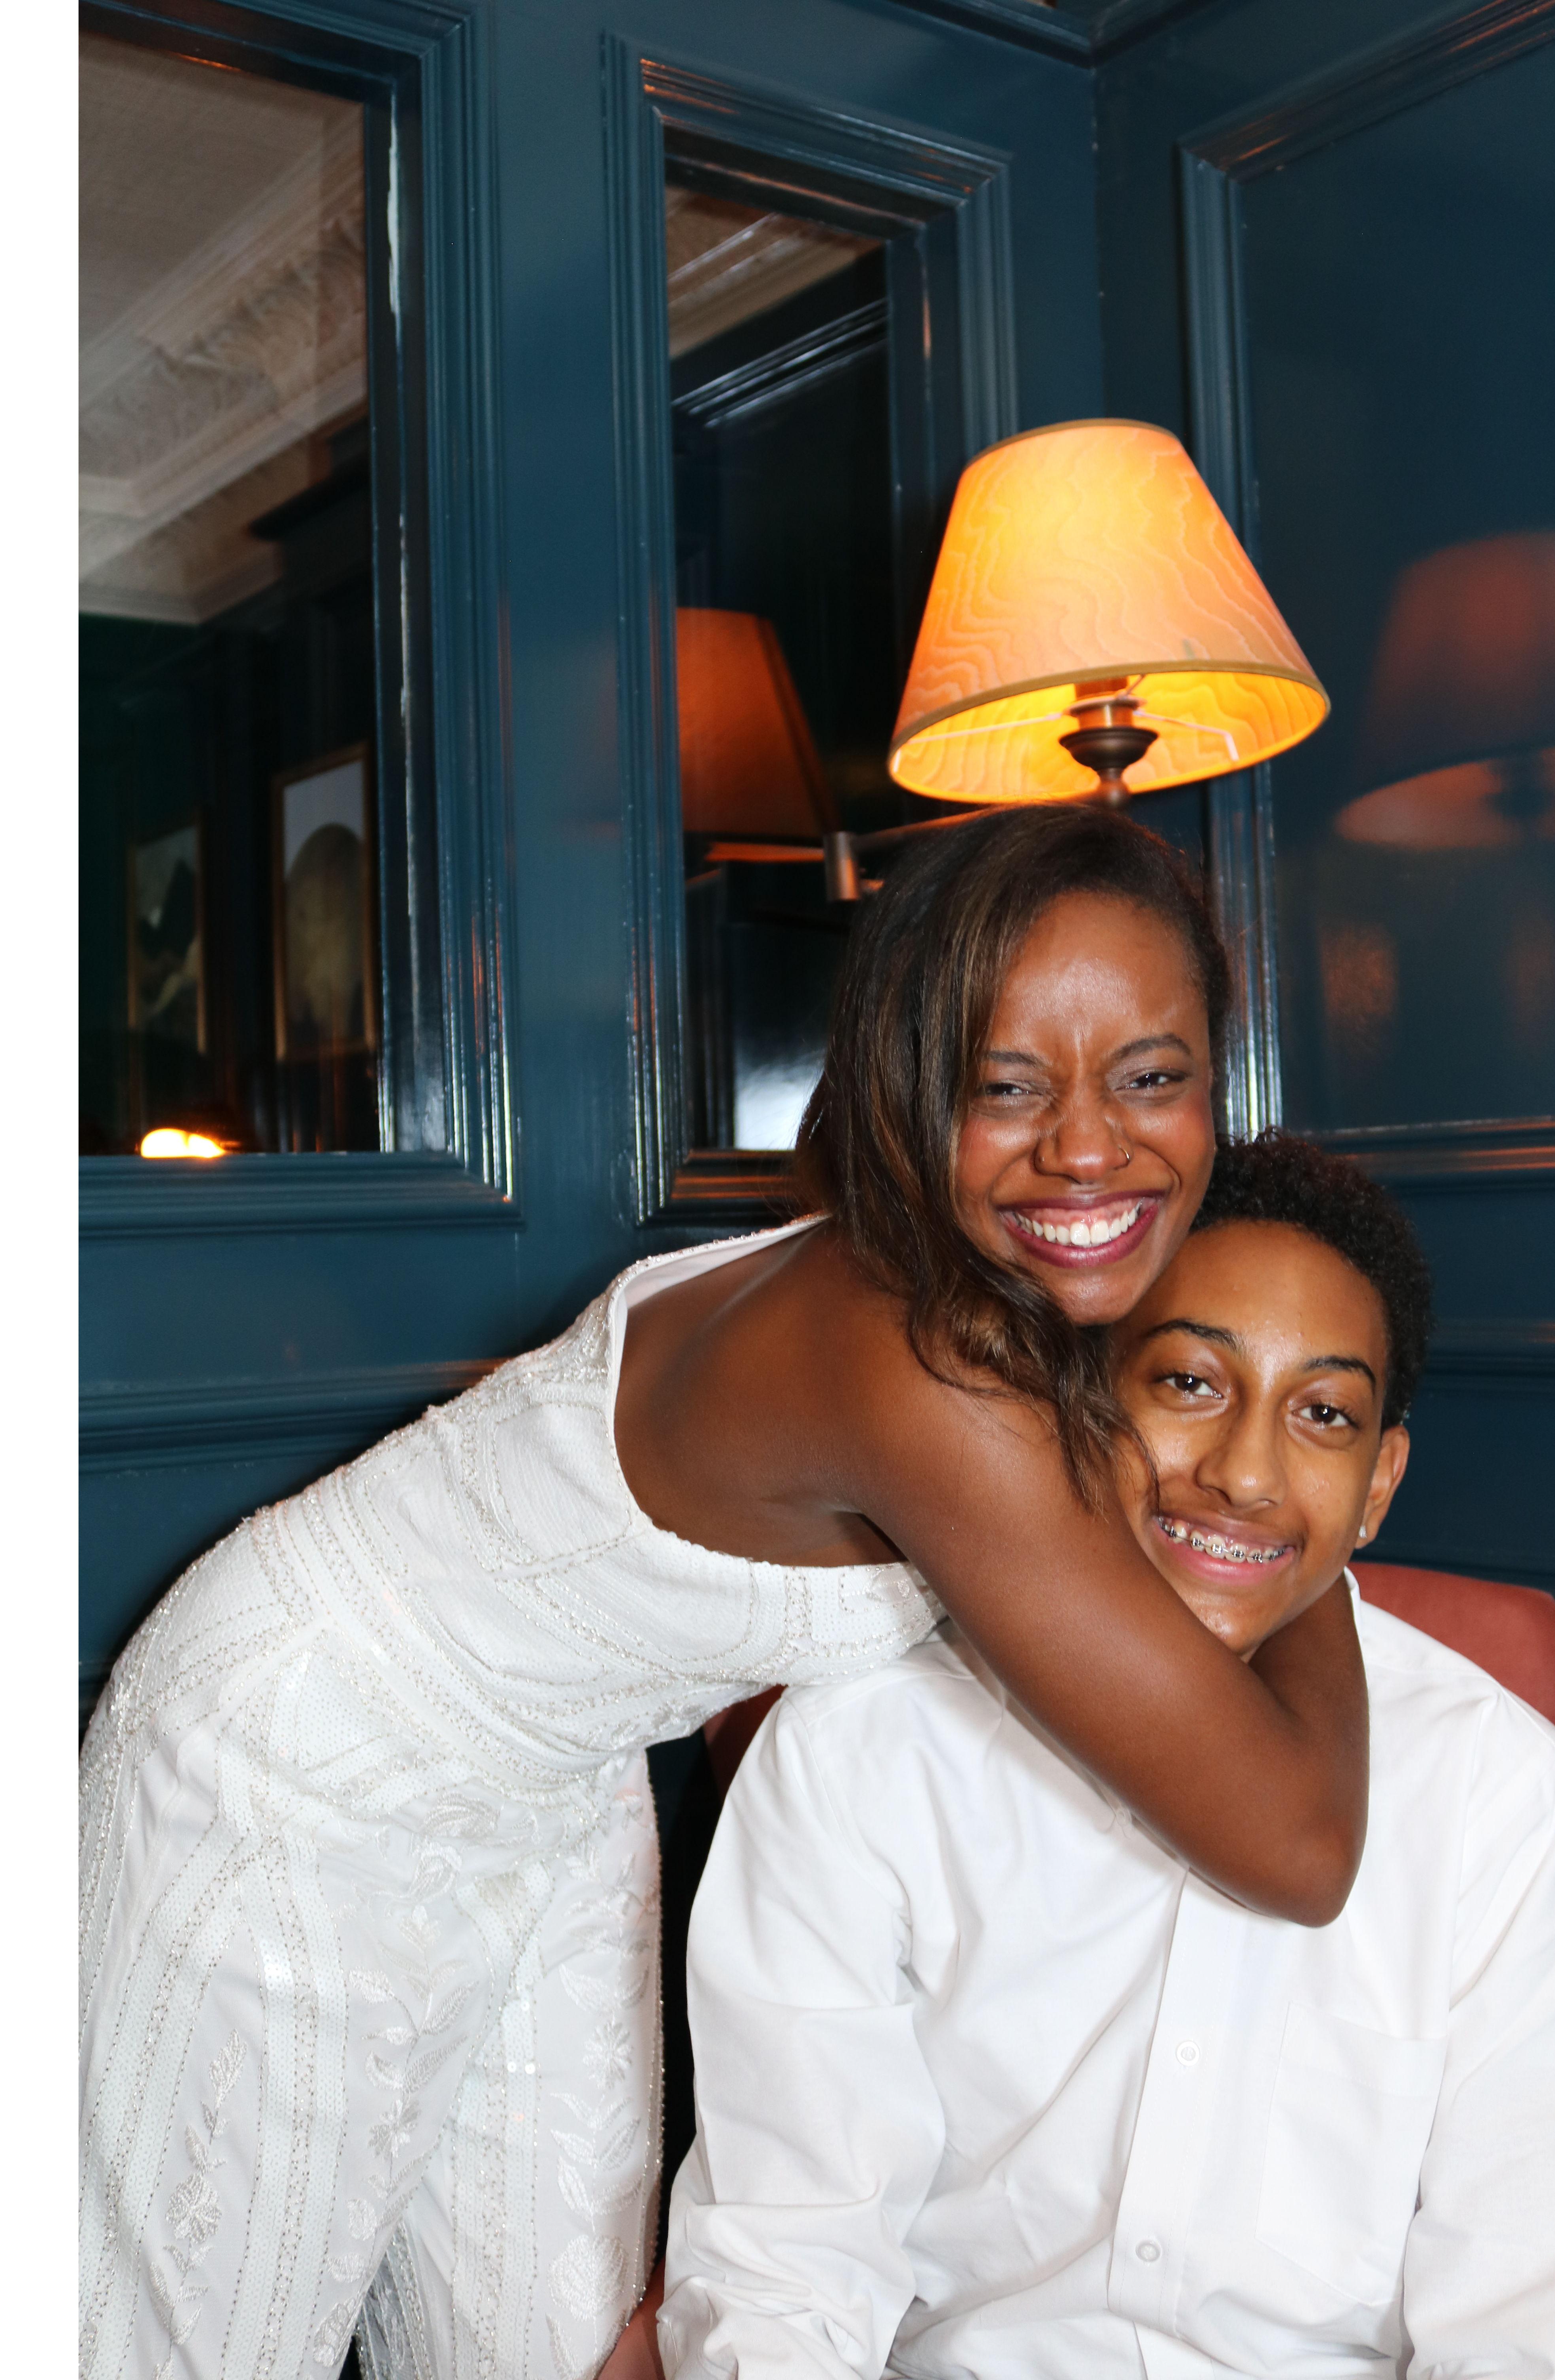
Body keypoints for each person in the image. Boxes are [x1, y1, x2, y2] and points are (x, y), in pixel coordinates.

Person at [80, 808, 1377, 2380]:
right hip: (294, 1756)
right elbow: (1297, 1848)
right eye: (1006, 1085)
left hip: (548, 1792)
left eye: (1152, 1078)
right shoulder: (934, 1379)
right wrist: (1303, 1512)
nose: (1091, 1146)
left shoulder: (937, 1247)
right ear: (915, 1090)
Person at [661, 1132, 1555, 2380]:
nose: (1245, 1474)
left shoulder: (1498, 1796)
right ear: (1080, 1403)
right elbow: (784, 2269)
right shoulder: (866, 1744)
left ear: (1380, 1484)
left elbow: (1536, 2319)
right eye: (1190, 1382)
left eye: (1323, 1414)